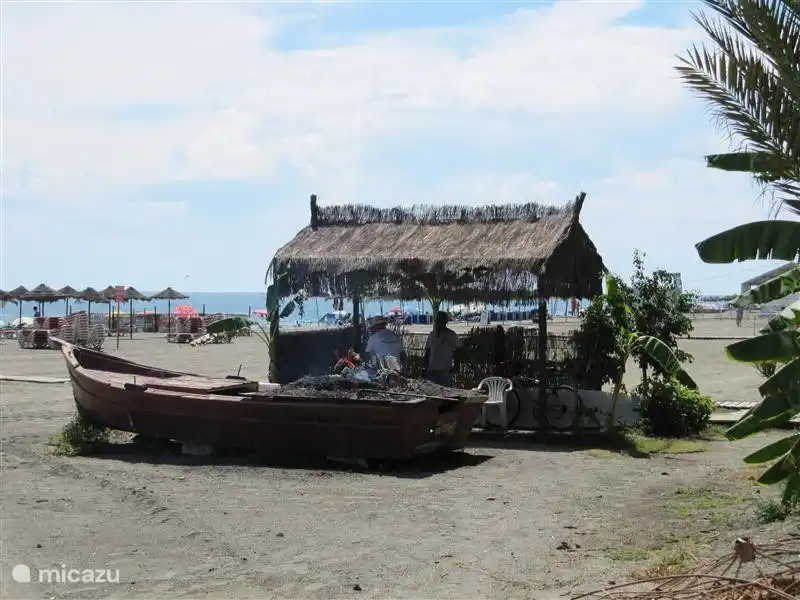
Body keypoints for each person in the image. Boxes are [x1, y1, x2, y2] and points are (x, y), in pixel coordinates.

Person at [424, 311, 461, 386]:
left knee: (445, 390)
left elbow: (458, 350)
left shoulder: (451, 334)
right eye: (437, 321)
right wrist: (425, 367)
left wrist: (456, 365)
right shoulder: (432, 335)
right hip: (432, 370)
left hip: (446, 370)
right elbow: (427, 352)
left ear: (445, 321)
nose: (439, 323)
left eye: (441, 320)